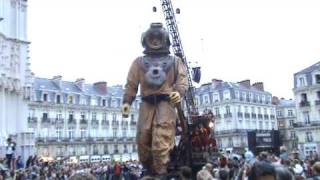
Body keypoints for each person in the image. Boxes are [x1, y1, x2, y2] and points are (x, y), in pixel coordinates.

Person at [121, 22, 188, 179]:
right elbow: (131, 84)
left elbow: (182, 80)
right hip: (146, 103)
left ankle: (161, 172)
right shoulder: (138, 62)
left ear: (165, 39)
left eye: (159, 38)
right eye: (152, 38)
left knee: (161, 139)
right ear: (146, 40)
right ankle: (149, 170)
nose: (156, 41)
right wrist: (126, 102)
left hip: (166, 103)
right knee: (142, 138)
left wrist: (178, 92)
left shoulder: (175, 61)